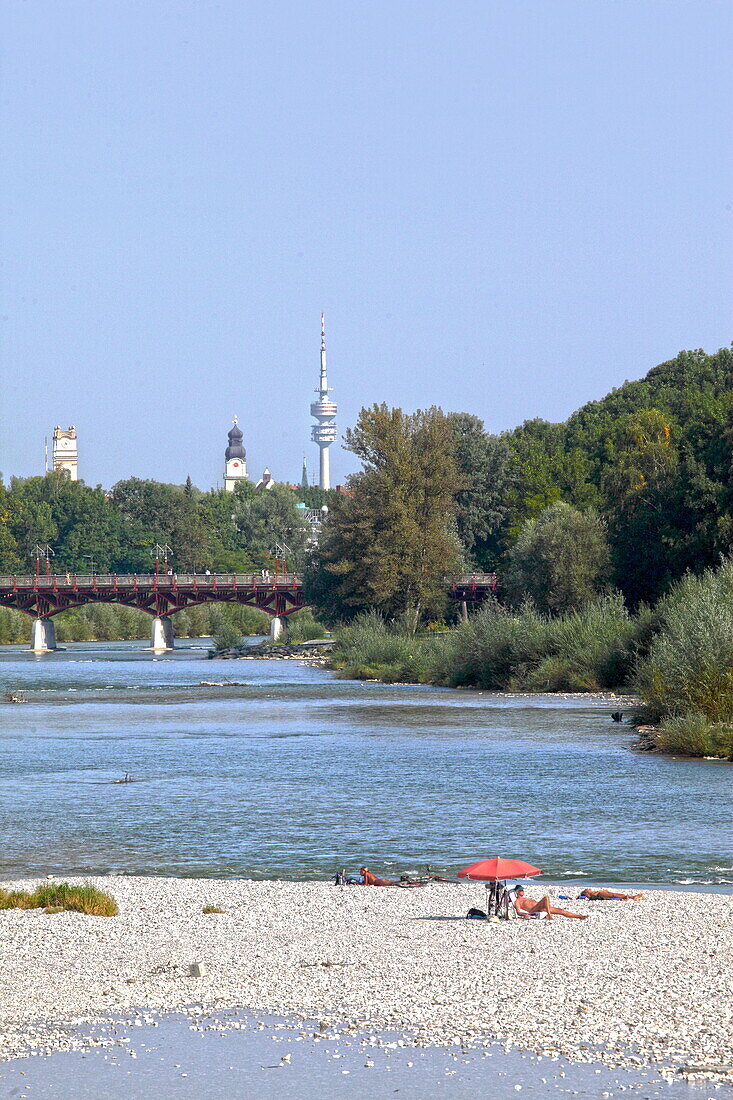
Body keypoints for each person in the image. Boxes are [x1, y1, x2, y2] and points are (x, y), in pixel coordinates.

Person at [513, 886, 588, 920]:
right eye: (520, 890)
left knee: (561, 911)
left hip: (542, 907)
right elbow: (518, 912)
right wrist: (524, 914)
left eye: (522, 890)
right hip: (534, 910)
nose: (522, 891)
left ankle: (579, 917)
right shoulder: (517, 901)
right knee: (546, 898)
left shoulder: (527, 898)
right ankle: (549, 915)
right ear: (516, 891)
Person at [579, 888, 643, 901]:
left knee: (614, 894)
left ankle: (631, 896)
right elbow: (593, 896)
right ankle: (631, 897)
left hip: (602, 893)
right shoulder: (592, 894)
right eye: (587, 889)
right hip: (601, 894)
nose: (589, 889)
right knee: (613, 895)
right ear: (586, 893)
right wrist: (601, 891)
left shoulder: (594, 892)